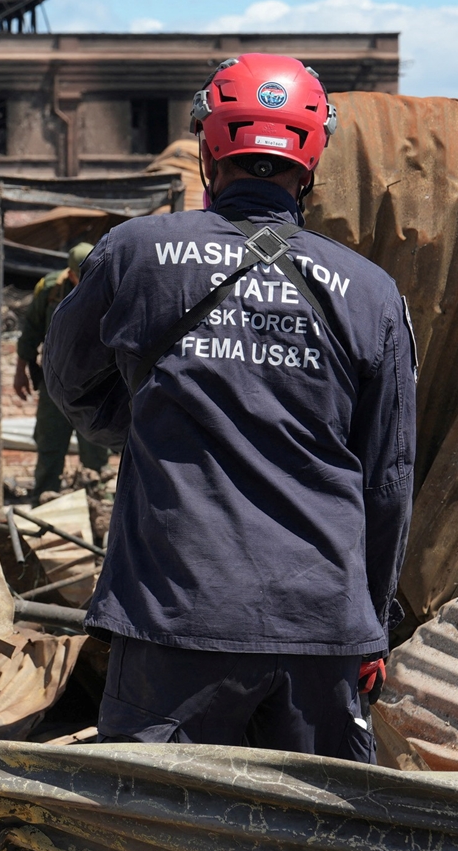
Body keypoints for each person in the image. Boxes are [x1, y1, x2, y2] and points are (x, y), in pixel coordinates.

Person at [42, 55, 415, 760]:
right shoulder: (371, 294)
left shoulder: (134, 254)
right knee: (319, 848)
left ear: (209, 148)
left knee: (154, 844)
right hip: (322, 630)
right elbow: (387, 480)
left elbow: (69, 383)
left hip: (172, 623)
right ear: (311, 160)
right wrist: (370, 622)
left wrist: (155, 427)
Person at [14, 241, 108, 499]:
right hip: (55, 381)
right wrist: (20, 371)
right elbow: (31, 331)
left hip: (96, 384)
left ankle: (99, 502)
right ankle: (45, 503)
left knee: (96, 447)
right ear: (70, 273)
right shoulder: (51, 289)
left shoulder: (111, 285)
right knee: (50, 444)